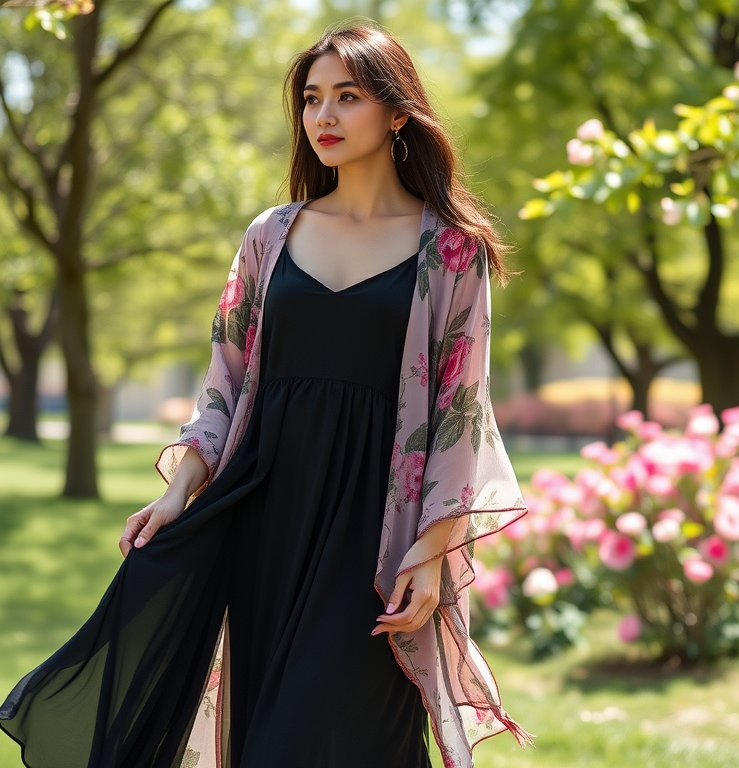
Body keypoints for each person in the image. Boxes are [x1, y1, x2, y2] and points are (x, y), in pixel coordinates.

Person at [0, 22, 530, 768]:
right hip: (266, 519)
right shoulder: (270, 236)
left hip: (373, 538)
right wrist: (181, 485)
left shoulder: (451, 250)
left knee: (334, 734)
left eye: (348, 97)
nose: (324, 117)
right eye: (312, 99)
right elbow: (226, 375)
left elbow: (458, 409)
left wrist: (433, 548)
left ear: (398, 111)